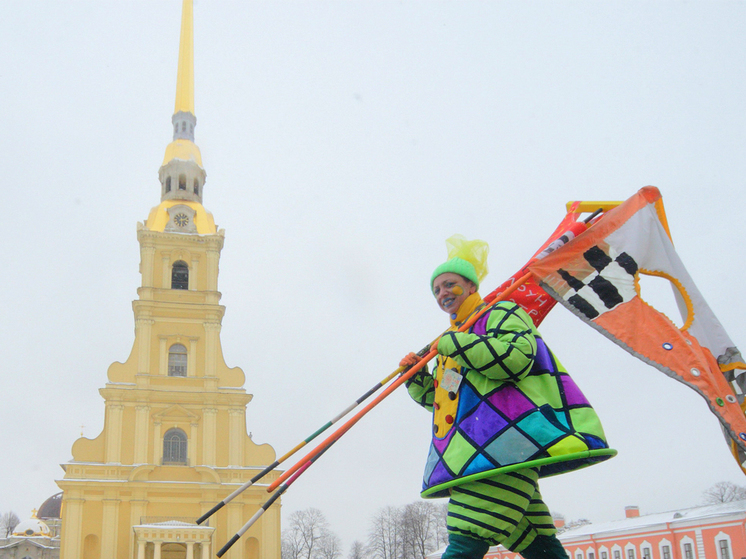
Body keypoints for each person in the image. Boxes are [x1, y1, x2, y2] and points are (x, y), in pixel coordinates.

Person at [401, 236, 614, 559]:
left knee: (464, 539)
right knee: (539, 545)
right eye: (437, 290)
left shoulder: (500, 313)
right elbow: (448, 404)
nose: (443, 293)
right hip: (479, 450)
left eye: (450, 284)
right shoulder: (453, 339)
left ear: (471, 286)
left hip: (503, 444)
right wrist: (416, 378)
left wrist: (454, 345)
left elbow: (516, 359)